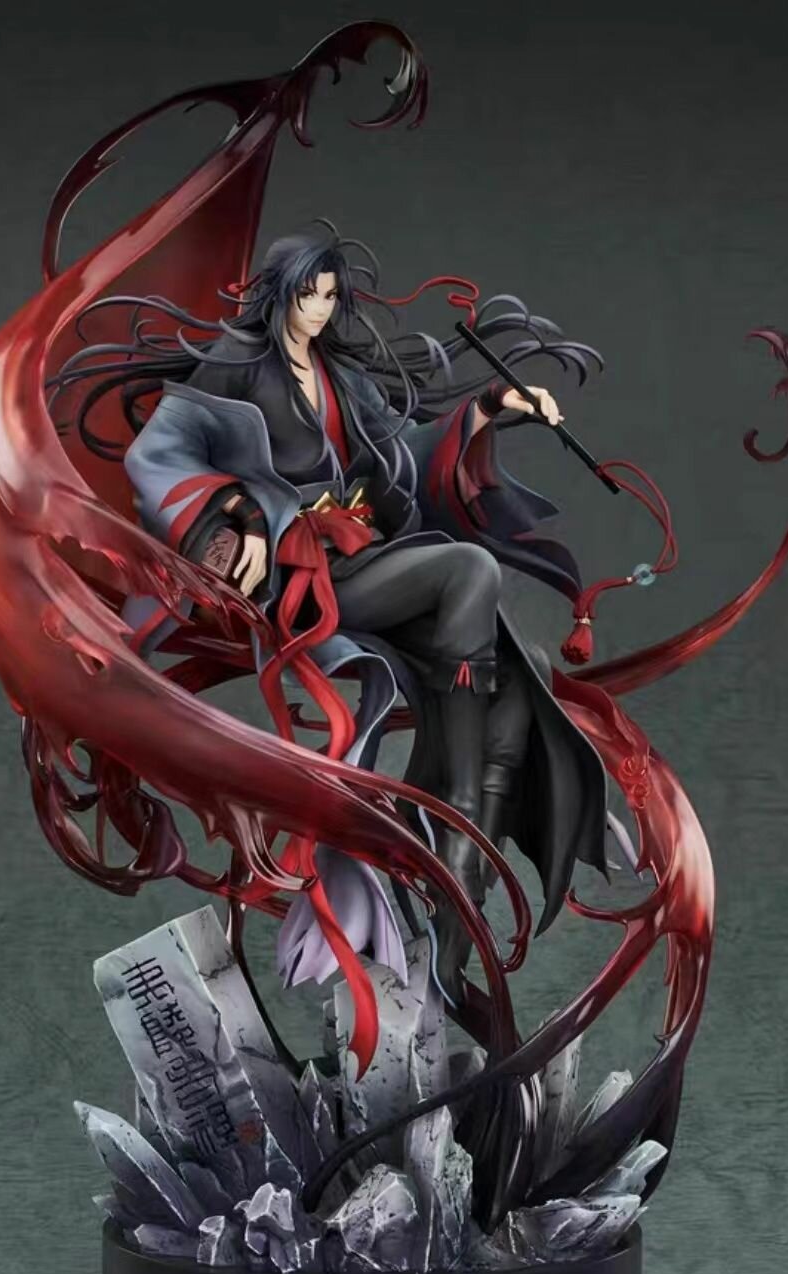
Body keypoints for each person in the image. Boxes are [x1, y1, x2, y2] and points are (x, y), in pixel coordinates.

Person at [55, 222, 615, 1007]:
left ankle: (458, 896)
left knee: (517, 682)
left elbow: (406, 454)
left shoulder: (339, 376)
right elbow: (160, 454)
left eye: (327, 296)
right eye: (306, 294)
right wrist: (237, 514)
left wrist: (493, 406)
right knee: (470, 571)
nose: (317, 309)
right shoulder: (237, 363)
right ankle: (456, 815)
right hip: (302, 581)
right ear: (280, 293)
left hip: (363, 559)